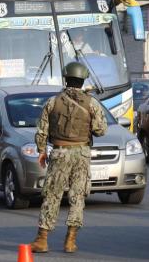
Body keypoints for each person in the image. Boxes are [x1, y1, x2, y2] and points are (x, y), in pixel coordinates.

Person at [30, 62, 107, 253]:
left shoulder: (52, 102)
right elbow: (100, 130)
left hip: (59, 152)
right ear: (83, 80)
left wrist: (41, 151)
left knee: (52, 195)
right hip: (81, 153)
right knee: (77, 196)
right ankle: (70, 241)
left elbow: (42, 131)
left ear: (66, 78)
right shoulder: (92, 103)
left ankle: (42, 239)